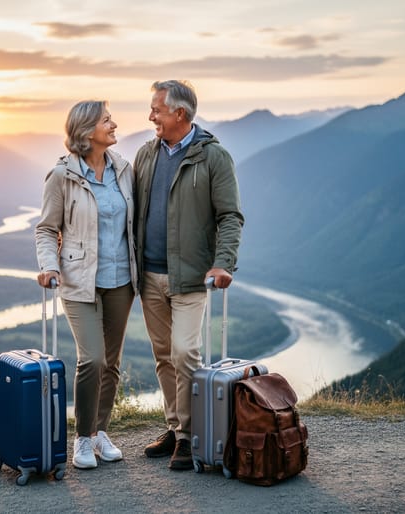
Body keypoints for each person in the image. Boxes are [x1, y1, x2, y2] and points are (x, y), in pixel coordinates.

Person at [133, 80, 244, 470]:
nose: (151, 117)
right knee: (163, 356)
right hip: (149, 276)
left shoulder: (214, 158)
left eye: (157, 110)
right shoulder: (146, 155)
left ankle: (189, 434)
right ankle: (175, 426)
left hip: (191, 277)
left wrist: (224, 262)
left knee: (185, 352)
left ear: (180, 114)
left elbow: (230, 216)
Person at [35, 100, 137, 470]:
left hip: (121, 280)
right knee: (91, 359)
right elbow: (47, 228)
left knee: (111, 363)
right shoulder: (61, 176)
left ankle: (101, 432)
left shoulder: (124, 170)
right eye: (106, 120)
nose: (114, 124)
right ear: (85, 131)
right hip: (79, 281)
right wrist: (49, 266)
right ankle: (81, 438)